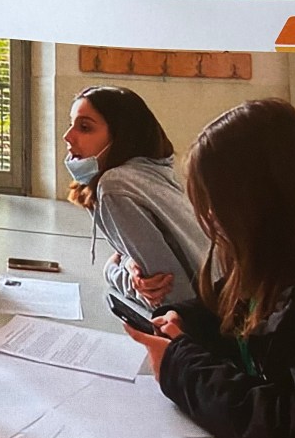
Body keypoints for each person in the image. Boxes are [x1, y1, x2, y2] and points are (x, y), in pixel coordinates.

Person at [125, 98, 295, 438]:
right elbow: (225, 306)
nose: (210, 218)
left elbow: (288, 425)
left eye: (218, 205)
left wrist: (180, 367)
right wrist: (186, 321)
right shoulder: (266, 261)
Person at [63, 86, 209, 309]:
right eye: (71, 124)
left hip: (202, 320)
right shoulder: (151, 171)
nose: (67, 136)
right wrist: (128, 262)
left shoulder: (114, 186)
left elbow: (166, 296)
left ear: (121, 136)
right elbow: (132, 255)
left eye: (85, 127)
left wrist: (113, 272)